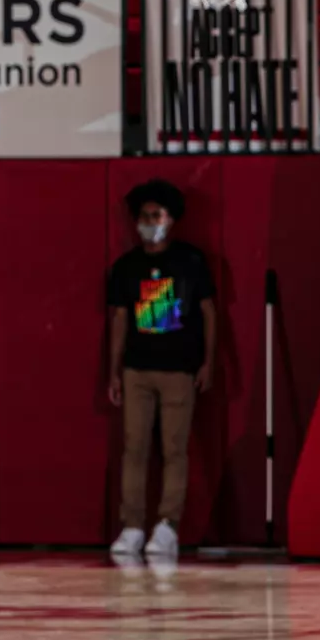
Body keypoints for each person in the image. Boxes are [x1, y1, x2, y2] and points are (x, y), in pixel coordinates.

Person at [106, 179, 215, 560]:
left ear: (171, 220)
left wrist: (208, 362)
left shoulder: (190, 262)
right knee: (134, 448)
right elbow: (119, 320)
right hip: (137, 370)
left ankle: (167, 526)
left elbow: (208, 313)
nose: (150, 222)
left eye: (157, 215)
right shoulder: (126, 268)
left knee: (174, 449)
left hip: (179, 370)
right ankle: (132, 525)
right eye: (144, 216)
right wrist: (114, 370)